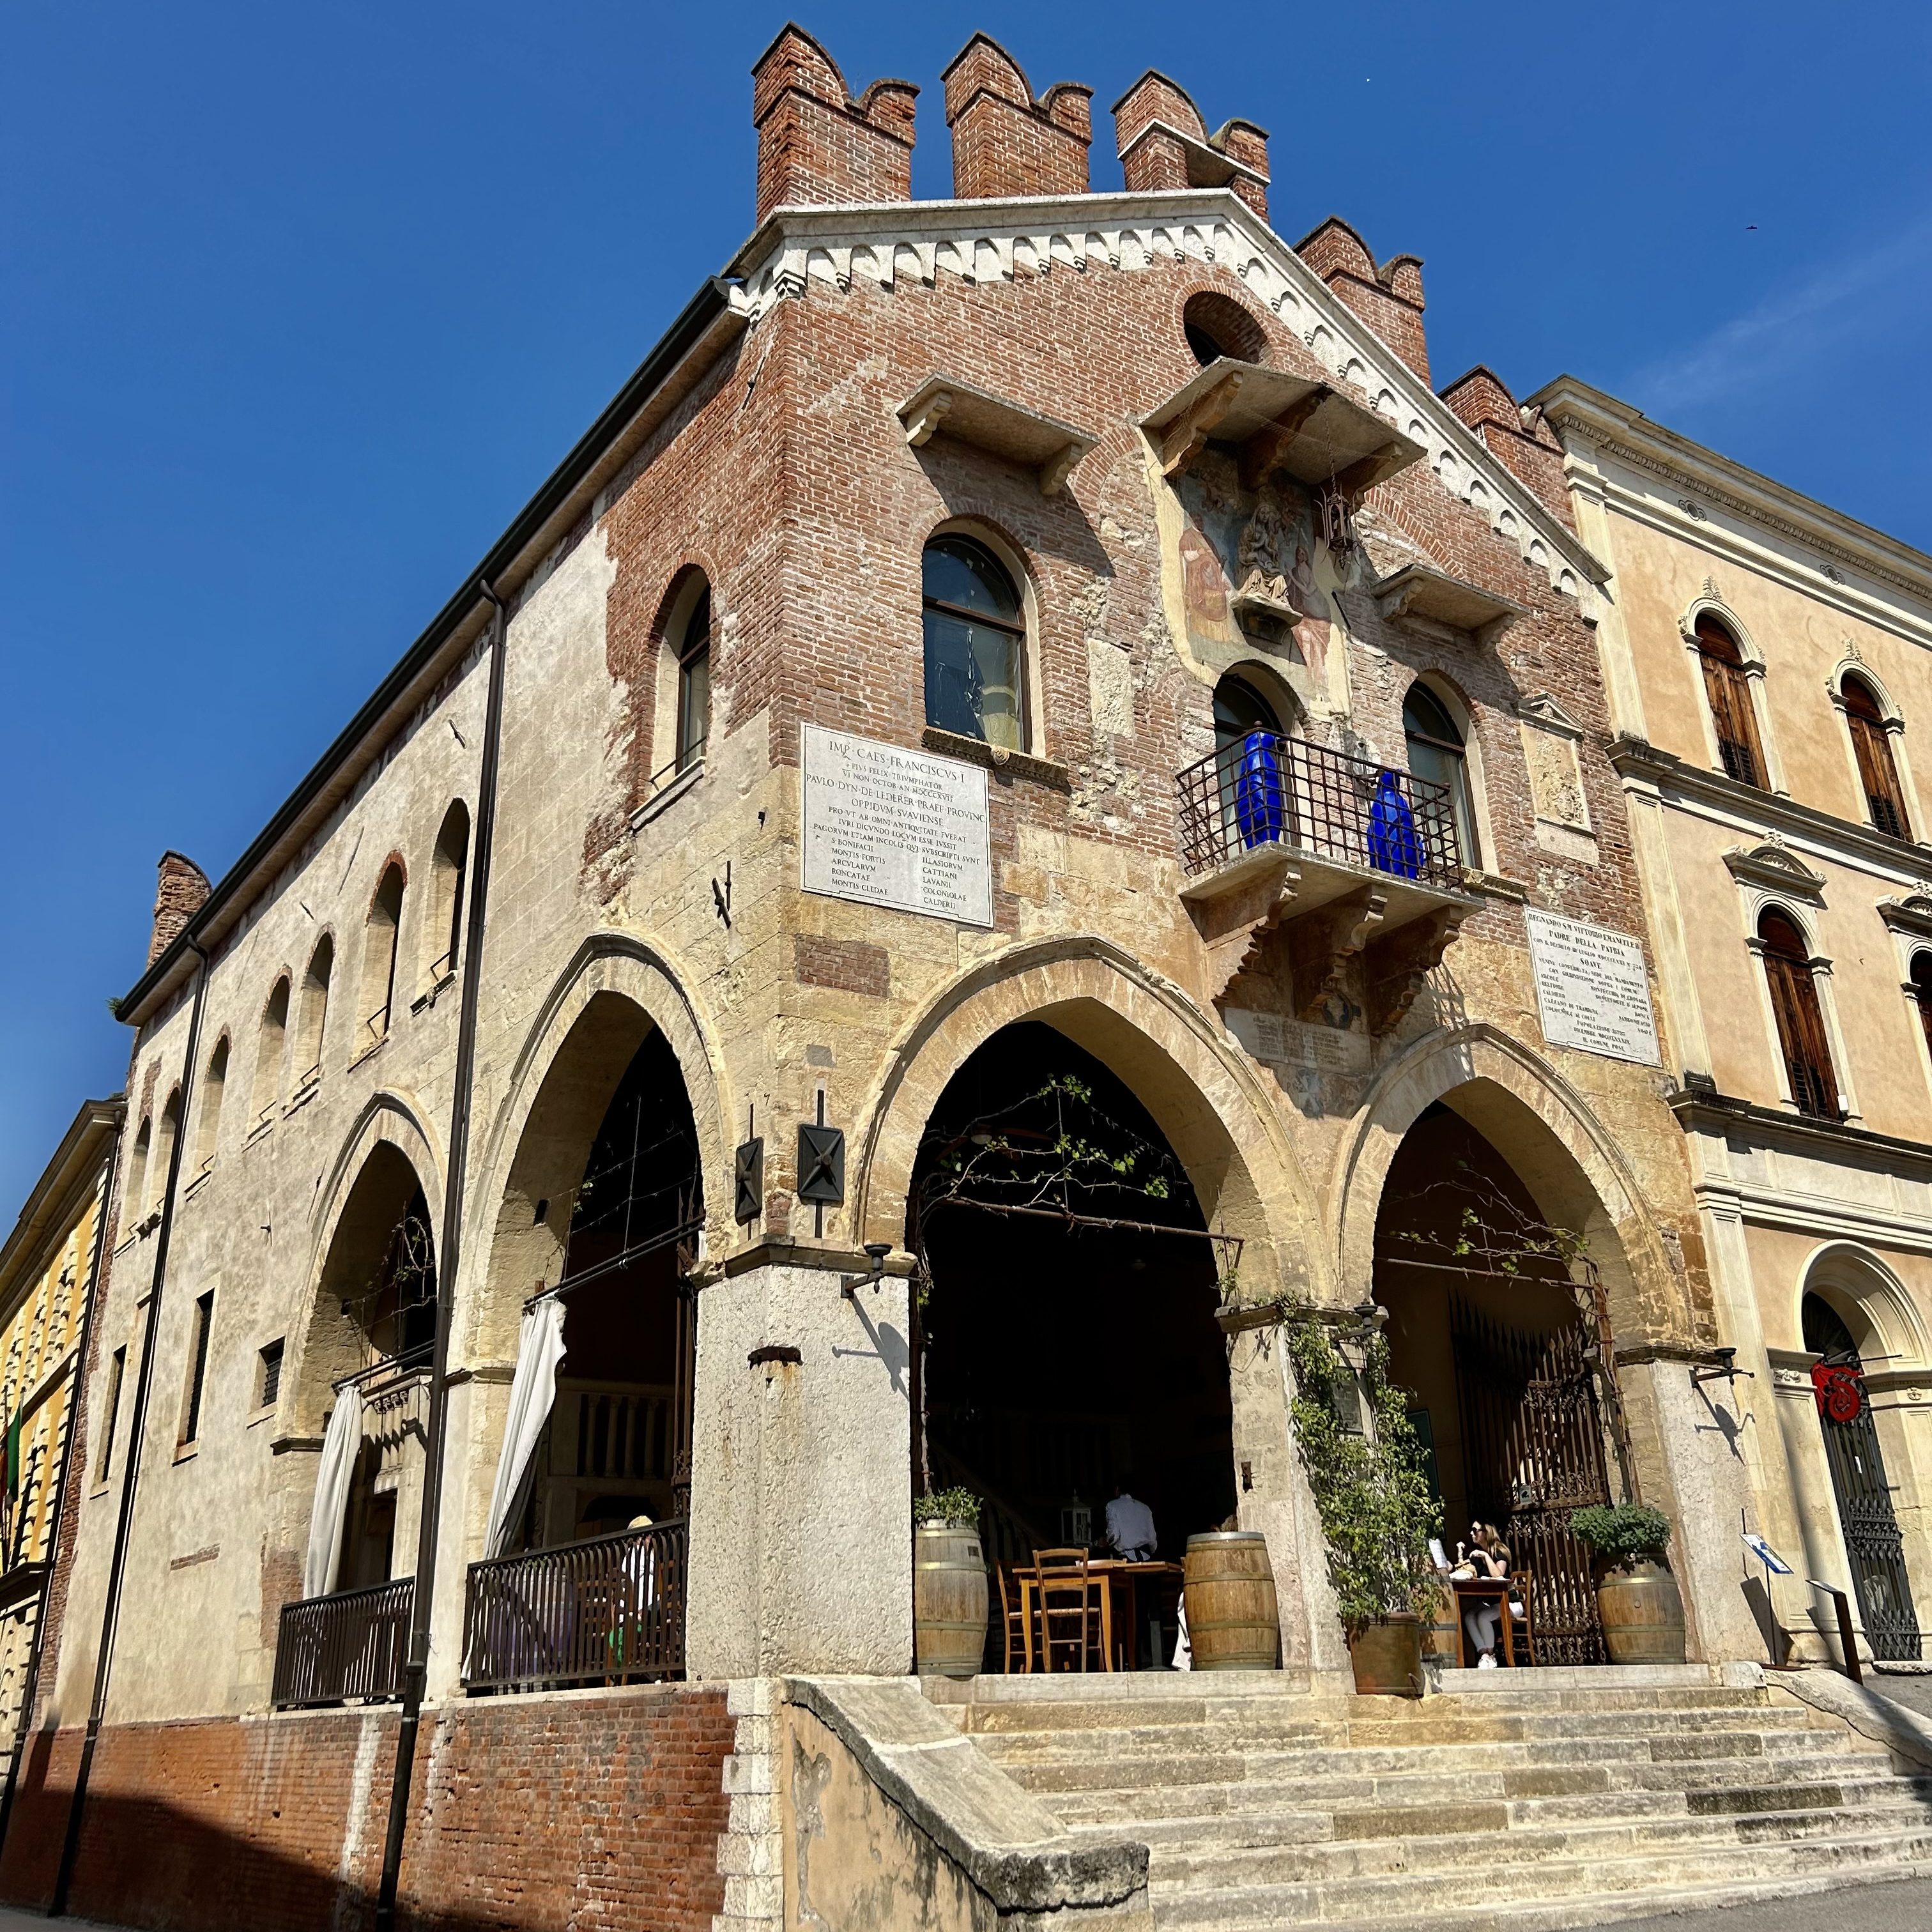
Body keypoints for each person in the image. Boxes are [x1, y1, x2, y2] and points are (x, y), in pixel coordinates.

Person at [1458, 1521, 1511, 1667]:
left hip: (1508, 1603)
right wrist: (1460, 1555)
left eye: (1475, 1530)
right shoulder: (1477, 1556)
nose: (1471, 1533)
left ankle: (1491, 1654)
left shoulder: (1500, 1552)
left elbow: (1499, 1576)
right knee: (1469, 1616)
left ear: (1486, 1533)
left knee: (1483, 1617)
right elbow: (1465, 1571)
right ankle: (1484, 1654)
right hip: (1490, 1603)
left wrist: (1486, 1556)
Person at [1105, 1477, 1158, 1562]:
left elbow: (1114, 1536)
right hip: (1147, 1557)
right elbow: (1152, 1539)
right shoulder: (1145, 1508)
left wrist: (1105, 1543)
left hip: (1125, 1559)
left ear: (1117, 1489)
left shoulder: (1113, 1505)